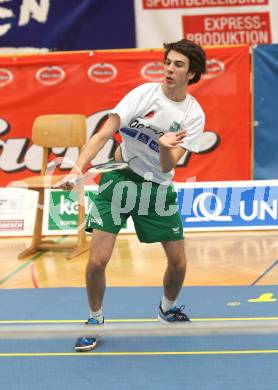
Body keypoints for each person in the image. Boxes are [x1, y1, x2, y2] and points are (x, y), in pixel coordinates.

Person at [60, 38, 206, 352]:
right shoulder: (143, 94)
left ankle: (167, 309)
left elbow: (170, 164)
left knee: (179, 264)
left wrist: (165, 147)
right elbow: (103, 133)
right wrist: (76, 171)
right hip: (119, 177)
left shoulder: (194, 116)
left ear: (192, 74)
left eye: (178, 65)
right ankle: (94, 319)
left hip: (157, 187)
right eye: (167, 62)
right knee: (97, 261)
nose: (168, 69)